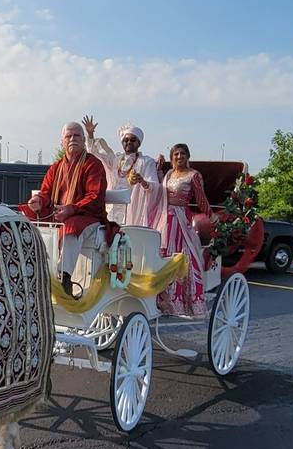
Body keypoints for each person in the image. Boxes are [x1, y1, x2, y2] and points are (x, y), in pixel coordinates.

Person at [27, 121, 111, 298]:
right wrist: (38, 201)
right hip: (59, 214)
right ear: (62, 142)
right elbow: (46, 192)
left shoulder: (93, 164)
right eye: (68, 136)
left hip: (87, 217)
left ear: (83, 140)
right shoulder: (56, 167)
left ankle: (64, 279)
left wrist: (71, 209)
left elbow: (94, 196)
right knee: (27, 217)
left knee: (71, 227)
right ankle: (35, 273)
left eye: (77, 136)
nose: (72, 139)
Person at [156, 143, 212, 317]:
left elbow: (201, 199)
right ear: (172, 158)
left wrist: (213, 218)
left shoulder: (194, 175)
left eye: (182, 154)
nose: (179, 157)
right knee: (161, 256)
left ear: (188, 156)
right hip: (165, 219)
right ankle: (161, 300)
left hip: (180, 220)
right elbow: (158, 191)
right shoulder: (168, 174)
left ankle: (183, 302)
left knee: (182, 257)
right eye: (176, 154)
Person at [82, 116, 164, 228]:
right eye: (126, 140)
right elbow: (96, 153)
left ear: (139, 143)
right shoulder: (116, 160)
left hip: (134, 209)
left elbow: (154, 186)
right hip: (112, 209)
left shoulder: (146, 161)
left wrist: (142, 181)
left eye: (132, 140)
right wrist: (90, 134)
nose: (129, 142)